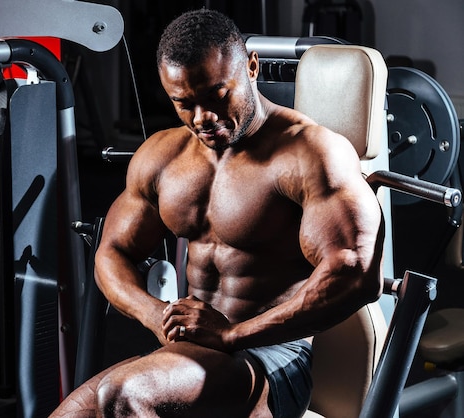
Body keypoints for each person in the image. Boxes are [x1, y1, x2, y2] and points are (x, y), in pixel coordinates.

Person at [51, 8, 384, 418]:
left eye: (216, 96)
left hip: (271, 360)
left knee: (124, 397)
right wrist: (156, 316)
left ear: (252, 66)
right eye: (184, 103)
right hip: (191, 353)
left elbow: (354, 273)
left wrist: (232, 334)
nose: (202, 118)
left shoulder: (309, 153)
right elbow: (112, 252)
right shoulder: (163, 155)